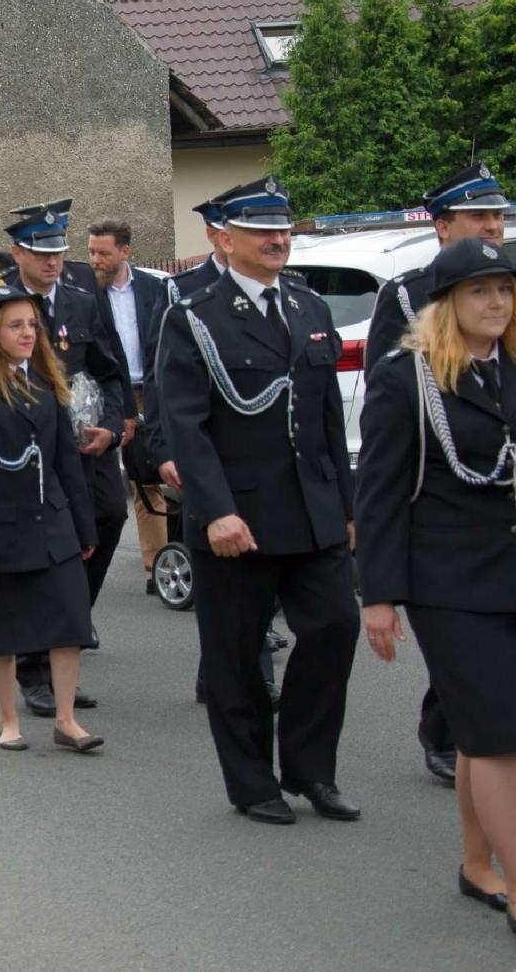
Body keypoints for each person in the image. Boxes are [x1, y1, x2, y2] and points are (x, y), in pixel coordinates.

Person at [357, 238, 516, 939]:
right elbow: (376, 493)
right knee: (500, 736)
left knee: (480, 732)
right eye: (480, 291)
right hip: (447, 584)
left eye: (507, 291)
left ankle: (476, 864)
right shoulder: (407, 378)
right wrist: (376, 595)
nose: (498, 303)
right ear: (447, 303)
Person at [363, 162, 516, 788]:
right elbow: (398, 403)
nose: (495, 226)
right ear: (442, 226)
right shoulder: (408, 294)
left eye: (498, 216)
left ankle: (485, 749)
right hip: (448, 514)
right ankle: (463, 742)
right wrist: (380, 587)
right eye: (480, 217)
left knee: (506, 658)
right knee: (470, 652)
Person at [157, 176, 361, 825]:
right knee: (238, 654)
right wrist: (215, 509)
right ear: (223, 238)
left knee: (335, 626)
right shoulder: (193, 314)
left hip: (311, 508)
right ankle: (252, 782)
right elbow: (185, 424)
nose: (279, 238)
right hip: (236, 515)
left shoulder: (308, 306)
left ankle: (310, 768)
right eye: (261, 229)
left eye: (284, 226)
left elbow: (328, 416)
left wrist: (349, 507)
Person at [0, 200, 127, 713]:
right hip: (28, 456)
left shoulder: (83, 301)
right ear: (19, 252)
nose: (53, 262)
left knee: (108, 517)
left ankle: (68, 625)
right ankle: (36, 670)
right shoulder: (0, 307)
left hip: (85, 446)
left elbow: (111, 372)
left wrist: (111, 428)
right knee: (41, 552)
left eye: (59, 252)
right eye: (42, 253)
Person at [0, 286, 103, 753]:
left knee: (70, 619)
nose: (27, 334)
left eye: (32, 325)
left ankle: (65, 719)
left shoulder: (46, 381)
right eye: (16, 325)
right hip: (0, 523)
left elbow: (65, 464)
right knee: (2, 624)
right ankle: (8, 719)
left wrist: (83, 525)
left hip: (51, 519)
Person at [150, 198, 283, 706]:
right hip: (203, 460)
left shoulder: (287, 297)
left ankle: (229, 670)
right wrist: (162, 448)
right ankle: (242, 673)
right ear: (218, 236)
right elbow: (166, 385)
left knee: (257, 576)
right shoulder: (181, 293)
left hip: (264, 467)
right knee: (223, 580)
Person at [88, 218, 167, 592]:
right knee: (133, 480)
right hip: (111, 396)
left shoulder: (155, 289)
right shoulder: (87, 293)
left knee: (153, 476)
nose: (95, 260)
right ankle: (154, 562)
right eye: (91, 252)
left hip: (153, 391)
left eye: (103, 253)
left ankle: (159, 568)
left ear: (124, 252)